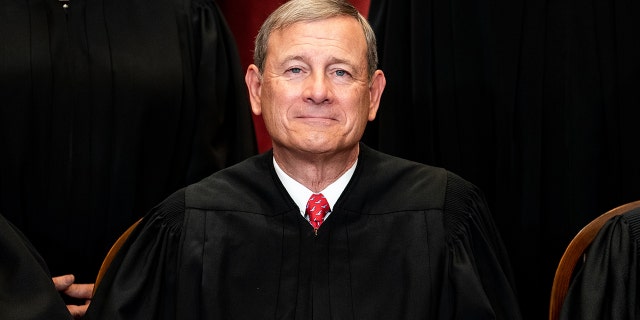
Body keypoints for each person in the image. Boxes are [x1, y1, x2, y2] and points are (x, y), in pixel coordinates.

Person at [86, 0, 523, 318]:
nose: (318, 91)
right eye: (295, 69)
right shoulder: (188, 224)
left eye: (341, 71)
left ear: (372, 96)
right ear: (257, 90)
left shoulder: (445, 217)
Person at [0, 0, 256, 308]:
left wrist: (150, 289)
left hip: (158, 301)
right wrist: (14, 290)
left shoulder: (187, 14)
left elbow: (223, 184)